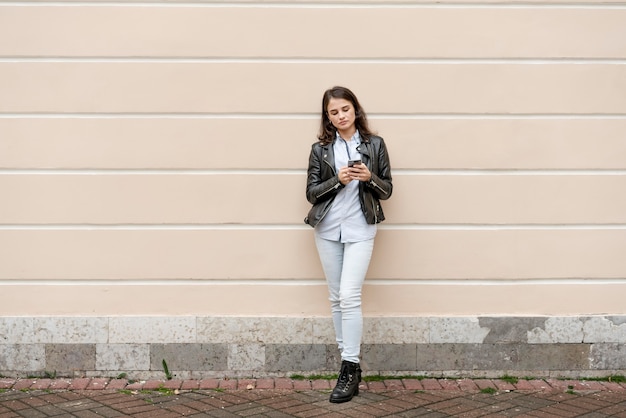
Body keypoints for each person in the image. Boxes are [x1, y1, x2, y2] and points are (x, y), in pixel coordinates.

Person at [305, 86, 393, 403]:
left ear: (355, 109)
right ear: (327, 117)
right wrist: (337, 181)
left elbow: (387, 191)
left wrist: (368, 176)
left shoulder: (375, 145)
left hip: (360, 229)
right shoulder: (320, 150)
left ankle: (349, 363)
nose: (341, 116)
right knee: (335, 298)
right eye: (334, 112)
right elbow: (312, 193)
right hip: (328, 229)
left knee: (349, 295)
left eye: (345, 109)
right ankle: (349, 370)